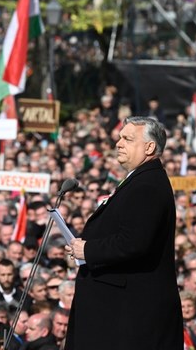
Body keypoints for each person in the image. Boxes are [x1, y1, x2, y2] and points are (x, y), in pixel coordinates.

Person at [65, 116, 182, 349]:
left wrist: (87, 249)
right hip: (119, 310)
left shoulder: (147, 185)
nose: (118, 143)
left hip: (128, 316)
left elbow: (134, 242)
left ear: (149, 147)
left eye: (127, 139)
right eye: (119, 137)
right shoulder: (140, 180)